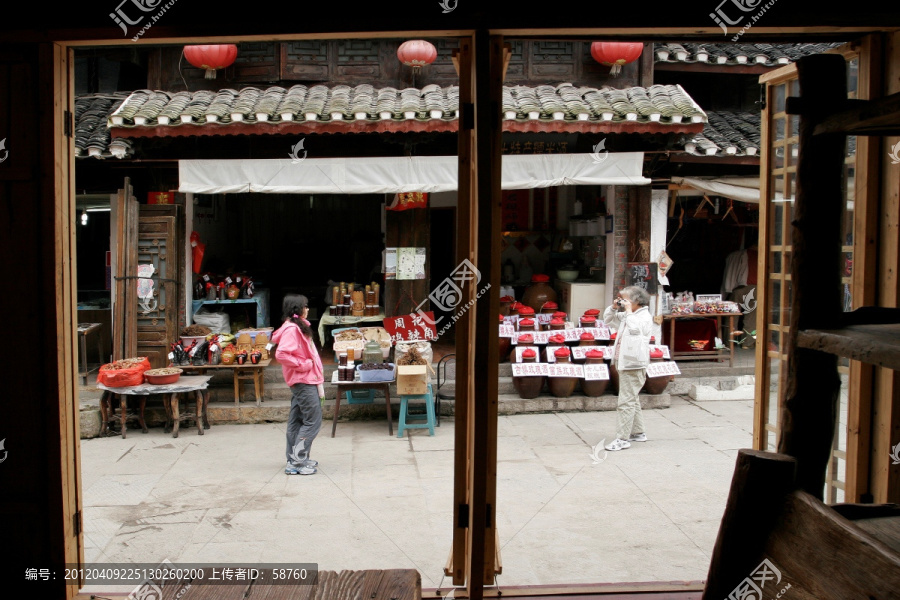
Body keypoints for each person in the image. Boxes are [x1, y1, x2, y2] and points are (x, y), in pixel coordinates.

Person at [271, 294, 325, 475]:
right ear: (297, 309)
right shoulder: (292, 330)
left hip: (302, 380)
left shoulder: (296, 327)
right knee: (313, 421)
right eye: (305, 306)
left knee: (297, 420)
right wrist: (304, 365)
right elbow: (282, 355)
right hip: (303, 380)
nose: (308, 309)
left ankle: (293, 459)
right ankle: (298, 461)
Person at [603, 286, 653, 451]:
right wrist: (613, 307)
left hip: (634, 364)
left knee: (625, 402)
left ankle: (622, 438)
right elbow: (608, 320)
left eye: (625, 299)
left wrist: (629, 312)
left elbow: (635, 330)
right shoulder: (629, 315)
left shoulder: (643, 317)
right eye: (621, 299)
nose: (622, 302)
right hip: (624, 362)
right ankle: (638, 432)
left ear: (637, 301)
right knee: (632, 398)